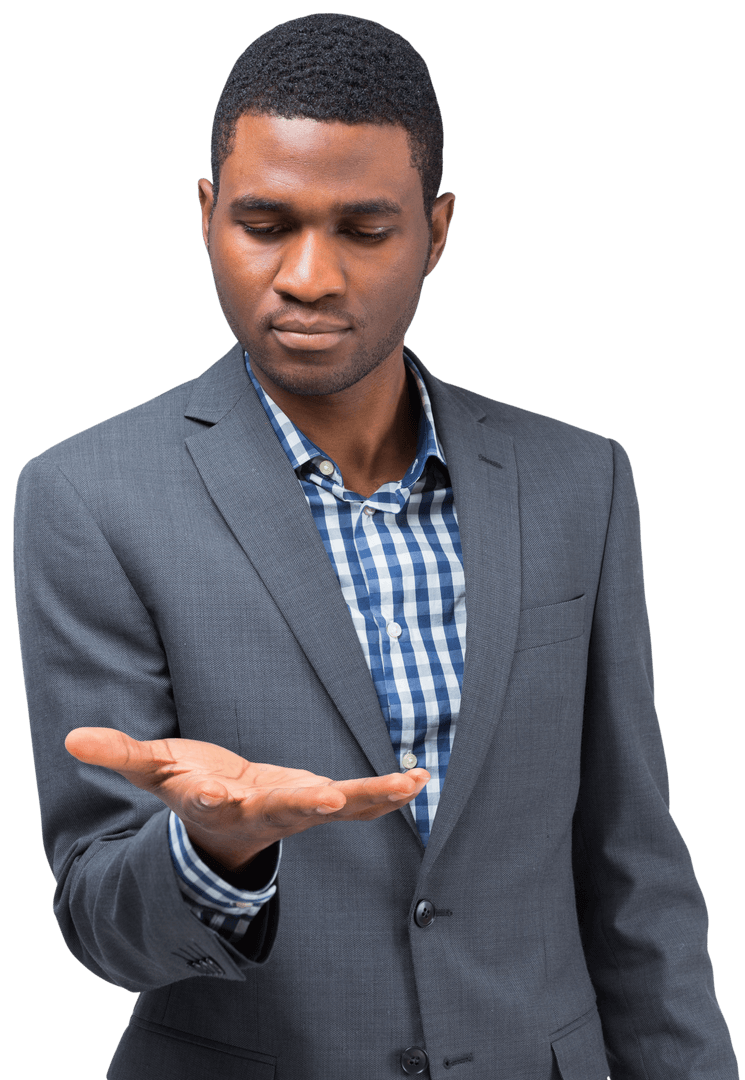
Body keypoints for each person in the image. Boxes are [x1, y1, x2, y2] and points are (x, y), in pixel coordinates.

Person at [14, 12, 738, 1080]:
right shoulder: (86, 497)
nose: (309, 276)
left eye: (364, 230)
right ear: (206, 217)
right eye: (266, 223)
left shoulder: (580, 480)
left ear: (436, 232)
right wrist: (217, 843)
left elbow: (631, 863)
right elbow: (100, 922)